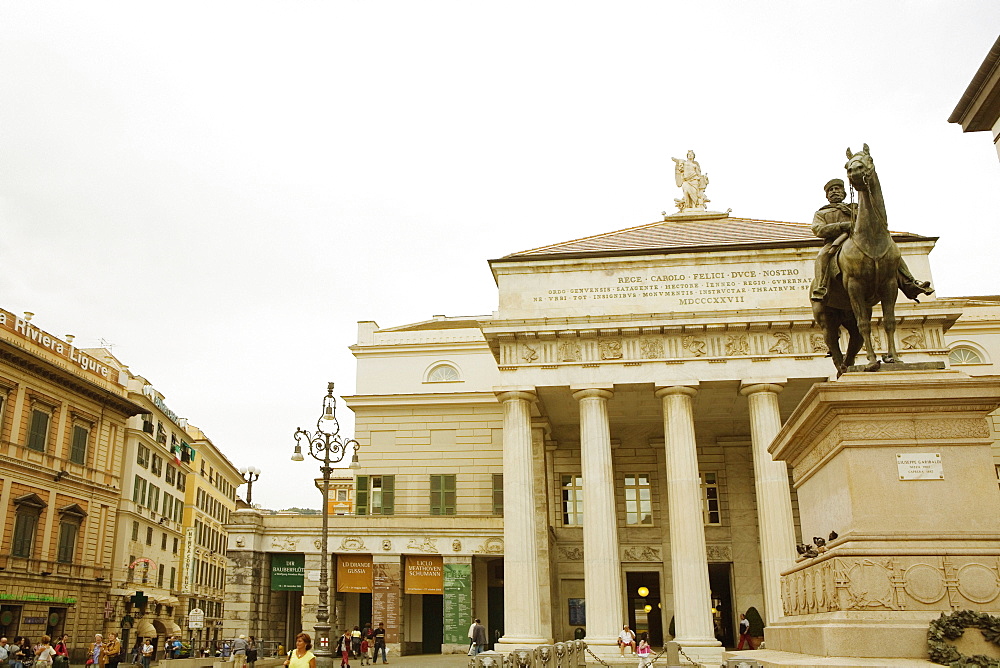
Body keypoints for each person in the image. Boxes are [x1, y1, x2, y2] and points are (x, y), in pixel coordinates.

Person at [811, 178, 932, 302]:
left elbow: (871, 221)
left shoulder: (856, 208)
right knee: (822, 256)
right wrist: (843, 225)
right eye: (830, 190)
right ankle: (821, 287)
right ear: (827, 196)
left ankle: (910, 283)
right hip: (835, 242)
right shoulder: (822, 213)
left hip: (860, 239)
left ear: (844, 193)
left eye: (837, 189)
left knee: (891, 252)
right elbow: (818, 229)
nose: (834, 191)